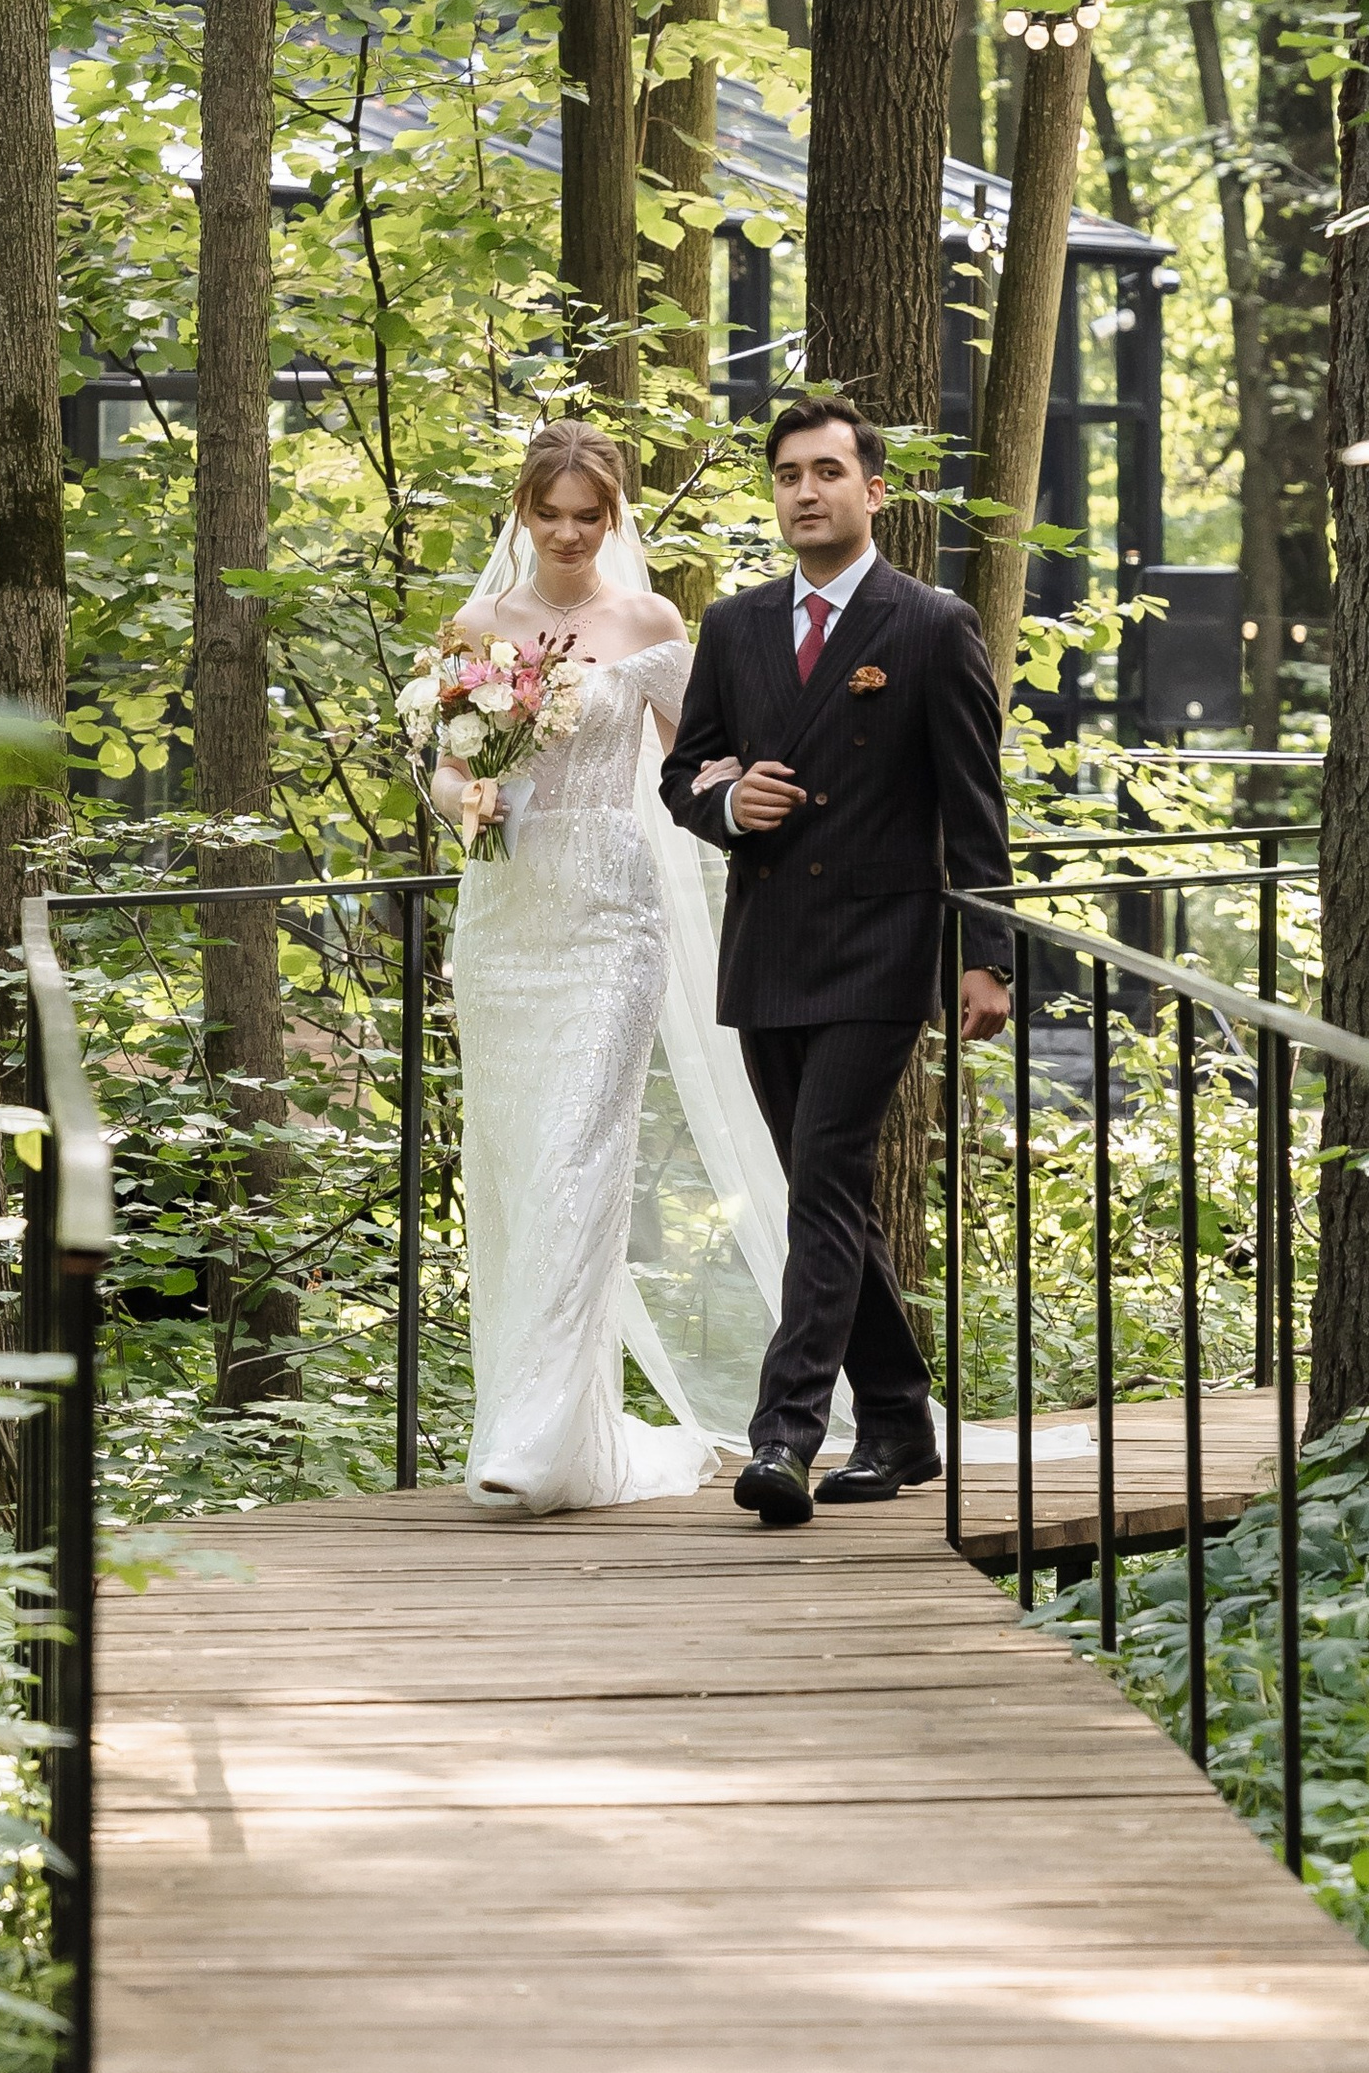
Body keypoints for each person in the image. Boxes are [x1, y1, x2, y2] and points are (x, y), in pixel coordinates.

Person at [658, 398, 1014, 1528]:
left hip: (880, 946)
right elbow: (686, 775)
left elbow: (974, 806)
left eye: (826, 472)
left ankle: (785, 1437)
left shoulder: (928, 623)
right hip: (766, 944)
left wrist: (988, 958)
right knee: (831, 1195)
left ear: (872, 491)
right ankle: (903, 1420)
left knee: (820, 1181)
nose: (805, 492)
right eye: (787, 476)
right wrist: (727, 805)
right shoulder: (736, 622)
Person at [432, 424, 714, 1516]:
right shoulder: (477, 625)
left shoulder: (647, 622)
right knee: (510, 1168)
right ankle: (551, 1428)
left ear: (613, 516)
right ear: (521, 512)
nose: (564, 533)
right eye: (546, 513)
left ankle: (533, 1445)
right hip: (503, 918)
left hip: (609, 919)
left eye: (585, 515)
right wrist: (470, 799)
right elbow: (445, 772)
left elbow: (697, 763)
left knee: (576, 1160)